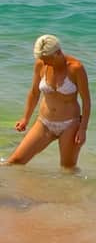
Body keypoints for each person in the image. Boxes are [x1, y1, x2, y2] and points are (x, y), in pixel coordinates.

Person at [8, 35, 89, 168]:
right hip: (44, 123)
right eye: (42, 60)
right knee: (15, 161)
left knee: (68, 169)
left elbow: (86, 101)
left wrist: (83, 129)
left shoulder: (76, 69)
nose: (44, 63)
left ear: (57, 53)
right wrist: (25, 119)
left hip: (69, 124)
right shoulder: (41, 64)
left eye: (47, 60)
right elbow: (34, 93)